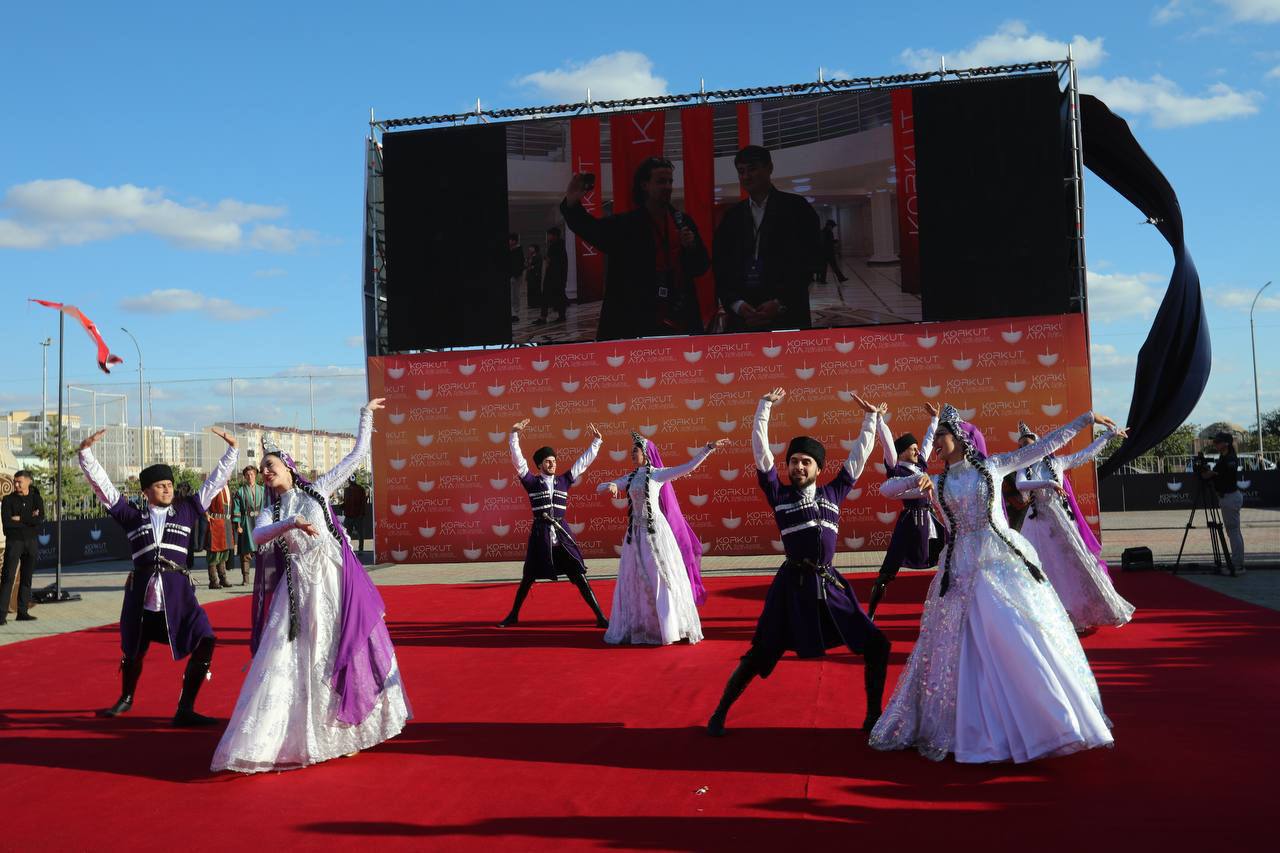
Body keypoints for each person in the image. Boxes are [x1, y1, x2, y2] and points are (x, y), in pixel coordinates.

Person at [870, 404, 1122, 763]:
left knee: (1015, 637)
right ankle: (977, 732)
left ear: (960, 438)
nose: (936, 442)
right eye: (935, 436)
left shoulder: (992, 467)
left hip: (999, 563)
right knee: (965, 650)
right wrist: (915, 481)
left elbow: (1043, 447)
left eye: (941, 435)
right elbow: (886, 488)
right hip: (958, 570)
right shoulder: (936, 482)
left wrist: (1086, 420)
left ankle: (1049, 723)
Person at [212, 399, 411, 774]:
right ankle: (297, 734)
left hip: (333, 584)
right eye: (262, 469)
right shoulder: (271, 511)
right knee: (295, 659)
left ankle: (346, 729)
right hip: (298, 592)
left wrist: (365, 415)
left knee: (339, 651)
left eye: (270, 466)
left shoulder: (317, 490)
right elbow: (258, 536)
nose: (265, 472)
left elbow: (356, 456)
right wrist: (290, 525)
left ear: (288, 466)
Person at [707, 389, 889, 736]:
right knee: (762, 652)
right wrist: (764, 407)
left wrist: (870, 420)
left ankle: (873, 717)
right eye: (793, 461)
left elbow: (859, 456)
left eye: (806, 462)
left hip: (830, 586)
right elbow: (761, 451)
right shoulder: (779, 494)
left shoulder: (834, 492)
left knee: (877, 646)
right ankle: (720, 712)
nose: (798, 466)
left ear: (819, 468)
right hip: (792, 589)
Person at [78, 426, 238, 726]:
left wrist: (232, 451)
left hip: (179, 599)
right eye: (161, 485)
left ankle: (185, 709)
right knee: (133, 649)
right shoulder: (131, 515)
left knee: (206, 639)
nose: (167, 489)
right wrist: (85, 454)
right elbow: (103, 487)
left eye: (170, 485)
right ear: (146, 492)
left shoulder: (188, 510)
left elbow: (215, 481)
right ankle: (126, 698)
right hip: (143, 599)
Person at [596, 433, 726, 645]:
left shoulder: (657, 475)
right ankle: (645, 627)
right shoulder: (630, 477)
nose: (632, 453)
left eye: (636, 450)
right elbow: (600, 487)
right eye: (631, 451)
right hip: (634, 536)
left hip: (655, 533)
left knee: (659, 577)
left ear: (646, 454)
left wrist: (708, 448)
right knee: (635, 579)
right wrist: (610, 485)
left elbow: (688, 467)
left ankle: (668, 627)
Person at [560, 158, 710, 340]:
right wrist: (572, 204)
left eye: (670, 181)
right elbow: (591, 229)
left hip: (680, 318)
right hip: (638, 321)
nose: (668, 187)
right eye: (661, 181)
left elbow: (701, 266)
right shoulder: (627, 225)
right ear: (644, 185)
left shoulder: (683, 222)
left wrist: (692, 247)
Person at [1015, 421, 1134, 631]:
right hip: (1037, 524)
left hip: (1061, 520)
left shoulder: (1058, 463)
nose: (1026, 448)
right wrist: (1049, 483)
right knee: (1047, 568)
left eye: (1029, 444)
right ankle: (1052, 615)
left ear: (1040, 445)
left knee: (1073, 566)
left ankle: (1082, 611)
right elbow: (1020, 485)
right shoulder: (1023, 468)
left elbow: (1086, 454)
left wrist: (1108, 436)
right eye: (1022, 446)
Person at [497, 420, 609, 628]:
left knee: (579, 576)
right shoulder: (531, 482)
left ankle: (601, 618)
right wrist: (513, 435)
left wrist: (596, 442)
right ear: (539, 465)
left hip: (562, 536)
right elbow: (518, 461)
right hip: (541, 537)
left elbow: (582, 463)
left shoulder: (564, 480)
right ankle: (513, 615)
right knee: (528, 577)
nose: (552, 464)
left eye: (554, 461)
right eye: (548, 462)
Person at [713, 145, 822, 332]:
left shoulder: (796, 208)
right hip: (743, 317)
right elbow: (721, 265)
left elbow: (810, 260)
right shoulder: (732, 216)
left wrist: (780, 303)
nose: (746, 176)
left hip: (787, 315)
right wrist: (736, 304)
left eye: (752, 169)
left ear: (769, 168)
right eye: (741, 171)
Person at [867, 403, 942, 619]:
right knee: (887, 571)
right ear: (901, 453)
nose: (917, 451)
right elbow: (887, 444)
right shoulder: (896, 467)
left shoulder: (921, 466)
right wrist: (880, 420)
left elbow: (928, 442)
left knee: (950, 558)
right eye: (912, 448)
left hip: (930, 520)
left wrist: (934, 419)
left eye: (916, 448)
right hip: (910, 523)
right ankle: (870, 612)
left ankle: (955, 606)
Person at [1, 470, 43, 625]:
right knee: (8, 577)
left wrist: (20, 518)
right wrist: (30, 518)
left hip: (31, 542)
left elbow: (39, 519)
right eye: (15, 481)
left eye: (19, 481)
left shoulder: (36, 498)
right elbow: (7, 524)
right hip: (14, 543)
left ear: (28, 481)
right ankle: (1, 615)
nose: (16, 484)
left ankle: (22, 612)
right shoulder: (8, 500)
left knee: (27, 577)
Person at [1202, 431, 1246, 575]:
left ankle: (1237, 565)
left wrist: (1213, 474)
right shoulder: (1224, 457)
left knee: (1233, 532)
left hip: (1230, 497)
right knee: (1234, 531)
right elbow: (1218, 473)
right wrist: (1211, 473)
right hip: (1227, 497)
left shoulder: (1230, 458)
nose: (1215, 444)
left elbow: (1227, 475)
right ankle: (1238, 563)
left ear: (1226, 443)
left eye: (1218, 442)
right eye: (1214, 441)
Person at [233, 465, 266, 583]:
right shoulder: (240, 491)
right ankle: (245, 578)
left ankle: (261, 577)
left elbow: (267, 506)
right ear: (244, 477)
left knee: (261, 551)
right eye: (247, 475)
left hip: (260, 522)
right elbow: (236, 509)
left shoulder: (262, 490)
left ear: (255, 475)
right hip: (246, 523)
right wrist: (238, 525)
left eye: (252, 474)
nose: (250, 476)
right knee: (245, 552)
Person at [534, 226, 569, 325]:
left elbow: (555, 262)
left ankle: (547, 317)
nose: (548, 237)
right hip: (556, 275)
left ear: (555, 236)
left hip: (555, 276)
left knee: (553, 295)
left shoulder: (557, 246)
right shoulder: (558, 245)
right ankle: (555, 316)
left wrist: (548, 260)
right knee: (556, 295)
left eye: (549, 235)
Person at [205, 484, 234, 589]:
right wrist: (206, 514)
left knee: (224, 553)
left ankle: (223, 578)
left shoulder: (227, 487)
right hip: (216, 523)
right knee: (214, 554)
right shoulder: (214, 487)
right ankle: (213, 581)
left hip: (226, 523)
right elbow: (203, 501)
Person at [341, 476, 367, 552]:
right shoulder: (346, 490)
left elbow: (363, 503)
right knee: (346, 534)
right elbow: (346, 502)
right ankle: (347, 550)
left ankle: (360, 550)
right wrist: (343, 506)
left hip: (357, 516)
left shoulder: (360, 489)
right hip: (349, 516)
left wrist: (361, 514)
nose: (350, 480)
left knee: (360, 534)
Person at [508, 232, 524, 323]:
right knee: (511, 295)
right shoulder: (511, 250)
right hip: (511, 275)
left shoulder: (518, 251)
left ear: (514, 241)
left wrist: (515, 274)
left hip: (516, 276)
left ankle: (515, 313)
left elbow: (519, 264)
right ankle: (512, 312)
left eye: (510, 240)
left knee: (515, 295)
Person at [525, 243, 543, 311]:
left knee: (536, 289)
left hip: (535, 276)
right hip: (530, 276)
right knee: (530, 290)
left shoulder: (538, 256)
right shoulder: (529, 256)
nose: (530, 249)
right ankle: (531, 303)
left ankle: (537, 303)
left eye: (531, 247)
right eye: (529, 247)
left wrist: (532, 267)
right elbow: (527, 265)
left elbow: (538, 265)